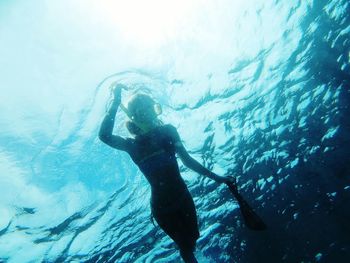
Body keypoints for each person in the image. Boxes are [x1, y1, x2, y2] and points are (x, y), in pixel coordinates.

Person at [98, 84, 234, 263]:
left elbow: (187, 160)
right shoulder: (132, 145)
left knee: (192, 240)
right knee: (185, 247)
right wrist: (116, 100)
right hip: (163, 209)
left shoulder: (167, 132)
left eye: (151, 109)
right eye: (143, 111)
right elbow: (104, 136)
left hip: (182, 198)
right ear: (134, 117)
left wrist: (218, 178)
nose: (150, 115)